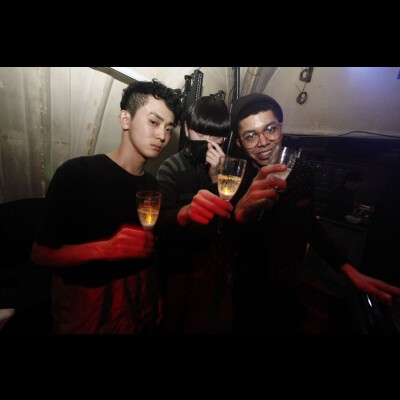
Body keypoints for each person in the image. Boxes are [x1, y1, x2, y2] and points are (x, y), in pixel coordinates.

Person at [224, 92, 400, 333]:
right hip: (249, 288)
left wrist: (348, 270)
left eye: (270, 129)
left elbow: (308, 224)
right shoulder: (234, 179)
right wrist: (239, 215)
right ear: (240, 144)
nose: (263, 142)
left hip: (289, 287)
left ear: (281, 129)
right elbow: (224, 245)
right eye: (251, 136)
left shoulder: (302, 172)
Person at [31, 79, 183, 334]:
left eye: (169, 128)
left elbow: (146, 249)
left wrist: (153, 293)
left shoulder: (151, 185)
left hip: (136, 309)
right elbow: (40, 254)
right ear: (125, 119)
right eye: (154, 122)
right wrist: (106, 248)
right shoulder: (77, 174)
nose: (163, 136)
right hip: (87, 314)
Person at [155, 95, 233, 333]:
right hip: (175, 265)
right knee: (170, 319)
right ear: (188, 129)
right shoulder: (171, 167)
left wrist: (217, 178)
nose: (209, 142)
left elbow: (228, 223)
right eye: (202, 132)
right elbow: (161, 224)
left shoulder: (230, 168)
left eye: (217, 136)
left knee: (200, 320)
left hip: (210, 264)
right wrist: (186, 212)